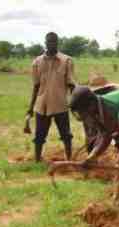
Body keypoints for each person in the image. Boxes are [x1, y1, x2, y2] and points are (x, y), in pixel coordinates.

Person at [27, 32, 75, 163]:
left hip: (60, 105)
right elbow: (36, 86)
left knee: (66, 135)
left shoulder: (67, 61)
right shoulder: (37, 62)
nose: (51, 44)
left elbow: (71, 84)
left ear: (57, 43)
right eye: (49, 42)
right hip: (41, 105)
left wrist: (75, 104)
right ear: (45, 43)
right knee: (39, 136)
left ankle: (69, 160)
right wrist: (30, 108)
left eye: (54, 42)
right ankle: (37, 160)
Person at [68, 84, 119, 166]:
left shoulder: (110, 111)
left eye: (82, 111)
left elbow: (108, 136)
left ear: (91, 105)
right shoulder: (97, 110)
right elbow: (104, 134)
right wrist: (91, 157)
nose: (81, 114)